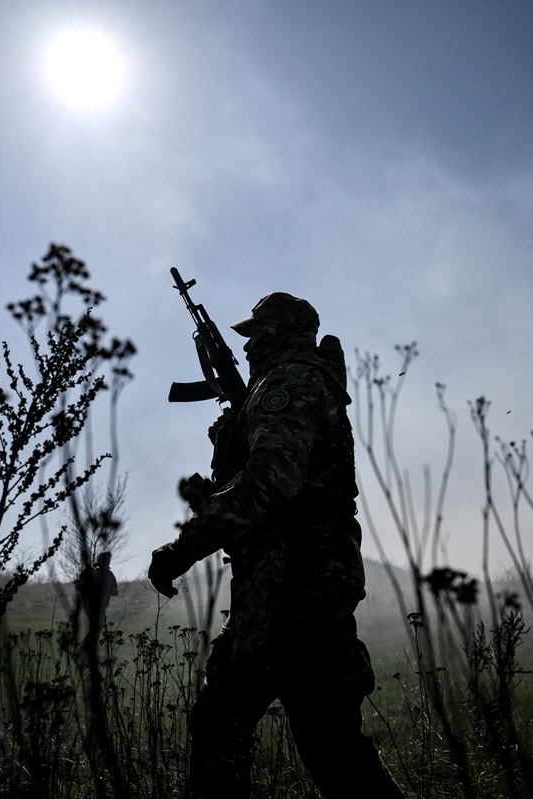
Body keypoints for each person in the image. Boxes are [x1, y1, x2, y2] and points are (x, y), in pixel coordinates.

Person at [149, 292, 405, 799]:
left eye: (256, 335)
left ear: (279, 334)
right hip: (280, 583)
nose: (247, 348)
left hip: (296, 585)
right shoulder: (289, 383)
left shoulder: (289, 382)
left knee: (324, 744)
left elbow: (273, 478)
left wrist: (185, 547)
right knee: (236, 727)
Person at [80, 549, 119, 630]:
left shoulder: (109, 574)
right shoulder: (91, 571)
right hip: (91, 605)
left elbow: (114, 590)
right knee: (96, 628)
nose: (108, 561)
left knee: (97, 628)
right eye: (106, 559)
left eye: (108, 559)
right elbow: (80, 585)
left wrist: (114, 591)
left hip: (102, 606)